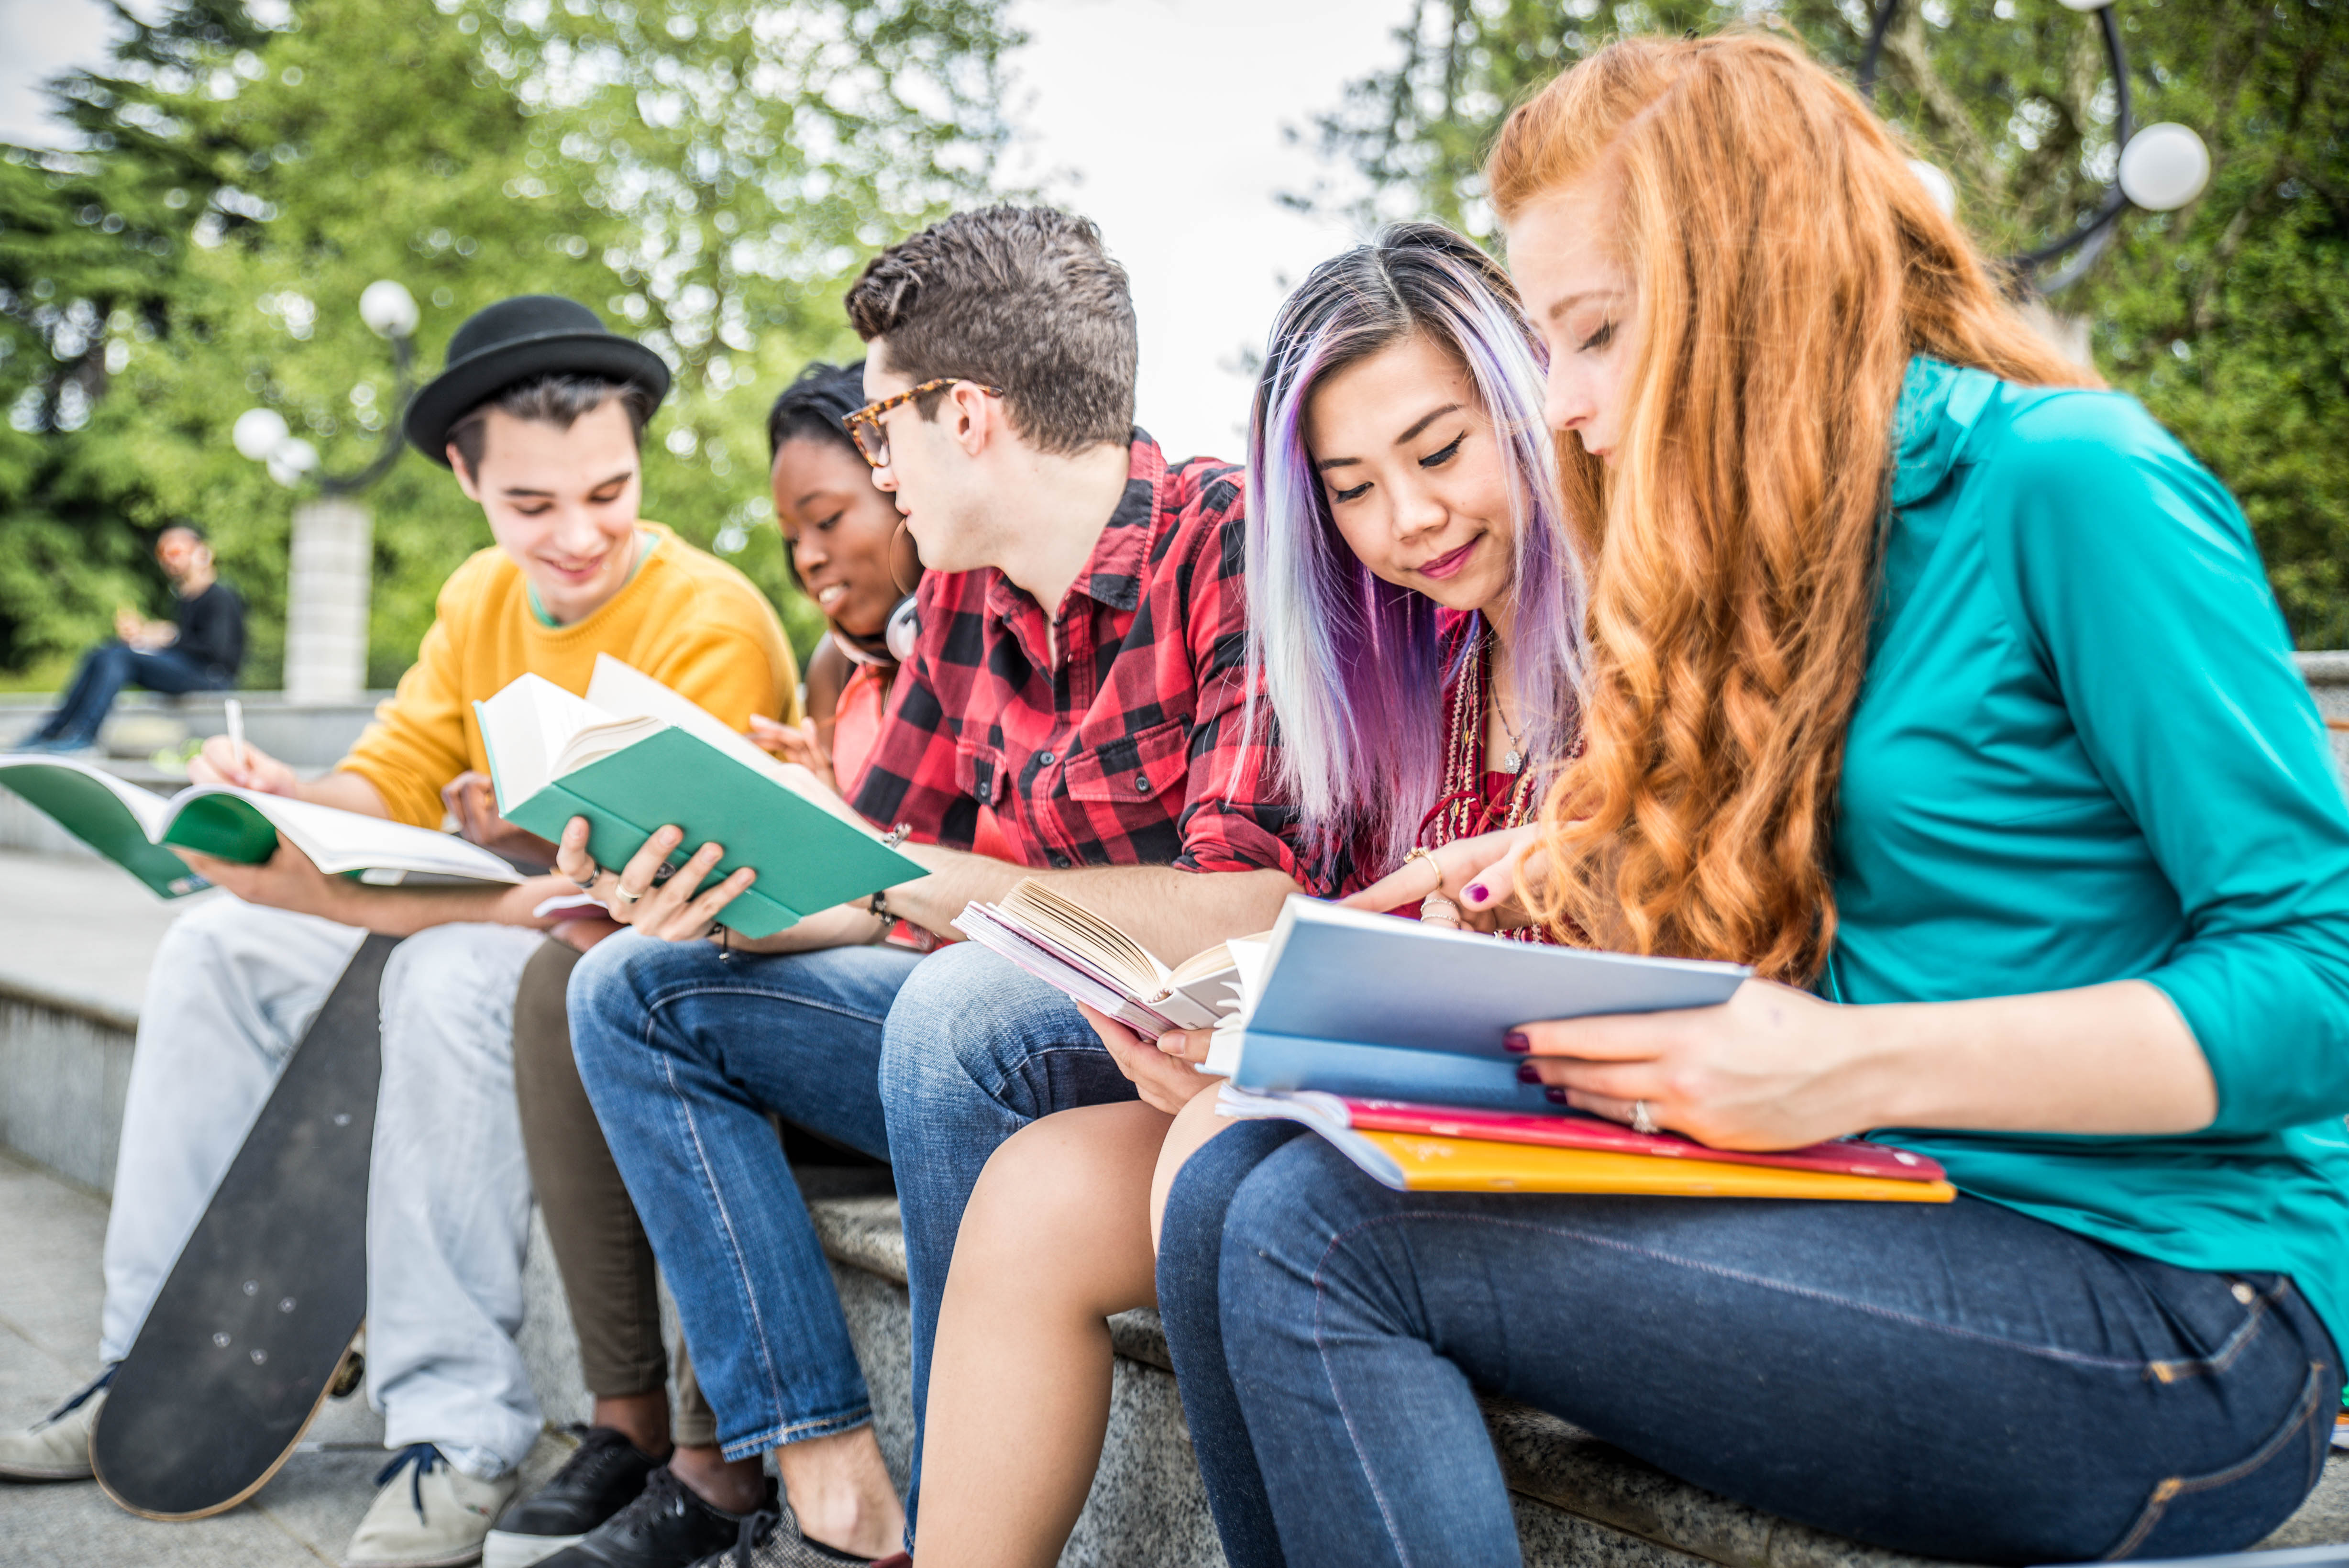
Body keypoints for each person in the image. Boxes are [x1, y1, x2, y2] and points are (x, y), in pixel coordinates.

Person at [1153, 32, 2349, 1568]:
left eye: (1589, 335)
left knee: (1321, 1236)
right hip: (1893, 1207)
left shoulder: (2073, 484)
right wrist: (1553, 879)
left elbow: (2316, 980)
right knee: (1233, 1184)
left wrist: (1847, 1064)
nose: (1562, 405)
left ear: (1746, 281)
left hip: (2178, 1313)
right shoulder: (1750, 561)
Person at [558, 205, 1323, 1568]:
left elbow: (1246, 906)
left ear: (962, 413)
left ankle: (966, 1534)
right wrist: (719, 882)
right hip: (978, 1028)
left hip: (1170, 1046)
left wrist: (922, 884)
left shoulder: (1235, 542)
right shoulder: (964, 595)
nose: (877, 460)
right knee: (635, 986)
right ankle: (836, 1489)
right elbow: (879, 881)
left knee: (958, 1005)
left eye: (878, 425)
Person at [0, 294, 801, 1568]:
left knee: (437, 972)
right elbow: (384, 784)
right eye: (533, 506)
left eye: (608, 490)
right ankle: (144, 1360)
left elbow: (642, 913)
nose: (580, 534)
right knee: (212, 947)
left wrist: (366, 887)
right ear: (465, 477)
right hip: (498, 906)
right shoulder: (478, 598)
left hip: (604, 969)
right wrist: (275, 796)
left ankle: (458, 1428)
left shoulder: (704, 622)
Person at [913, 221, 1587, 1568]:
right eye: (1348, 488)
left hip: (1599, 1115)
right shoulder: (1411, 674)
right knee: (1033, 1193)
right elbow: (1339, 927)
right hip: (1405, 1095)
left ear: (1532, 402)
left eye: (1441, 451)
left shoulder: (1649, 623)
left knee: (1216, 1155)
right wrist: (1213, 1022)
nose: (1407, 519)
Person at [495, 359, 962, 1568]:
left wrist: (832, 850)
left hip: (976, 1015)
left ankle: (729, 1472)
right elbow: (867, 902)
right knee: (625, 969)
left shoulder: (972, 638)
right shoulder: (835, 673)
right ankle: (689, 1456)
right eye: (791, 534)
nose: (810, 559)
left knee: (638, 993)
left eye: (832, 519)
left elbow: (930, 891)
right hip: (873, 980)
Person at [19, 521, 245, 753]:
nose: (168, 559)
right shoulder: (183, 599)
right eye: (162, 553)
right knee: (102, 652)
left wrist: (169, 637)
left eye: (175, 552)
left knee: (118, 657)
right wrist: (150, 637)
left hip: (212, 678)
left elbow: (216, 651)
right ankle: (50, 732)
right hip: (189, 670)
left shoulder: (220, 596)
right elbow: (180, 643)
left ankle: (84, 736)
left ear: (202, 553)